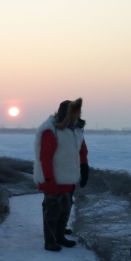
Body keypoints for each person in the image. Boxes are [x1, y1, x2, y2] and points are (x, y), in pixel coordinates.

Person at [33, 98, 89, 251]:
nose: (75, 118)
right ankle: (50, 241)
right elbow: (45, 157)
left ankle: (60, 236)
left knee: (65, 208)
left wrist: (84, 167)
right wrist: (49, 179)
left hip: (69, 178)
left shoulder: (76, 129)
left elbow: (82, 149)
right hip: (53, 179)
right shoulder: (51, 131)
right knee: (52, 210)